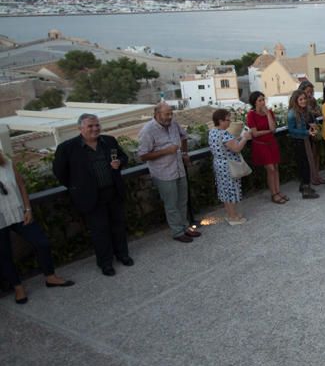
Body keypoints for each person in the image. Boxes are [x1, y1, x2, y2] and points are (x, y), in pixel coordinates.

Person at [53, 113, 132, 276]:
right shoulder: (67, 148)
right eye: (90, 126)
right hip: (91, 197)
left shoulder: (109, 141)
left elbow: (124, 157)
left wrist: (120, 163)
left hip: (113, 192)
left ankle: (122, 255)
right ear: (80, 128)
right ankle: (105, 263)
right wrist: (77, 187)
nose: (95, 128)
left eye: (97, 125)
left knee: (118, 226)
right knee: (99, 231)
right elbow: (60, 173)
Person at [1, 151, 74, 303]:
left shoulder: (6, 162)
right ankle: (18, 288)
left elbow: (21, 185)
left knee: (42, 243)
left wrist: (28, 209)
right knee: (4, 255)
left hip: (18, 212)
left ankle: (50, 277)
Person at [137, 102, 199, 243]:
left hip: (179, 169)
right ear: (157, 114)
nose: (170, 116)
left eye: (171, 113)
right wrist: (165, 151)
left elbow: (184, 136)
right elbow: (142, 155)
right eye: (167, 114)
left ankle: (186, 227)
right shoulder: (148, 130)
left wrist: (184, 153)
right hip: (163, 173)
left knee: (182, 201)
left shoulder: (173, 124)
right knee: (171, 204)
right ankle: (177, 232)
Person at [208, 108, 251, 224]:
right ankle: (233, 216)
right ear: (220, 121)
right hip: (228, 165)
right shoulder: (224, 134)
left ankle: (230, 214)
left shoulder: (212, 132)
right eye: (227, 120)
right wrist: (245, 138)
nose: (230, 122)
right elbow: (236, 148)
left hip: (218, 163)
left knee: (224, 189)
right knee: (231, 189)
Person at [246, 91, 288, 203]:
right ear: (254, 102)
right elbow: (255, 133)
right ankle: (274, 194)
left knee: (276, 167)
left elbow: (273, 128)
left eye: (263, 99)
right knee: (270, 169)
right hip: (261, 145)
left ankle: (278, 191)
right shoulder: (251, 114)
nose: (262, 102)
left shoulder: (269, 112)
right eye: (259, 100)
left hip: (271, 143)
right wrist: (269, 131)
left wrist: (268, 114)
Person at [287, 91, 320, 199]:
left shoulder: (307, 111)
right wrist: (306, 132)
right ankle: (306, 191)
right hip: (299, 142)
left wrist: (314, 126)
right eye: (300, 99)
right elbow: (291, 130)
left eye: (304, 99)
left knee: (307, 164)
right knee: (304, 166)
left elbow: (313, 122)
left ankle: (304, 186)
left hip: (307, 140)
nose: (303, 101)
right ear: (295, 101)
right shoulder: (292, 113)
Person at [297, 81, 325, 185]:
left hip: (314, 128)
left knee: (316, 154)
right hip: (305, 131)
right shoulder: (298, 101)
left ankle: (316, 175)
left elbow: (319, 111)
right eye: (308, 92)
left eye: (311, 92)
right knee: (309, 156)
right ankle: (311, 177)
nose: (310, 94)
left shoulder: (312, 100)